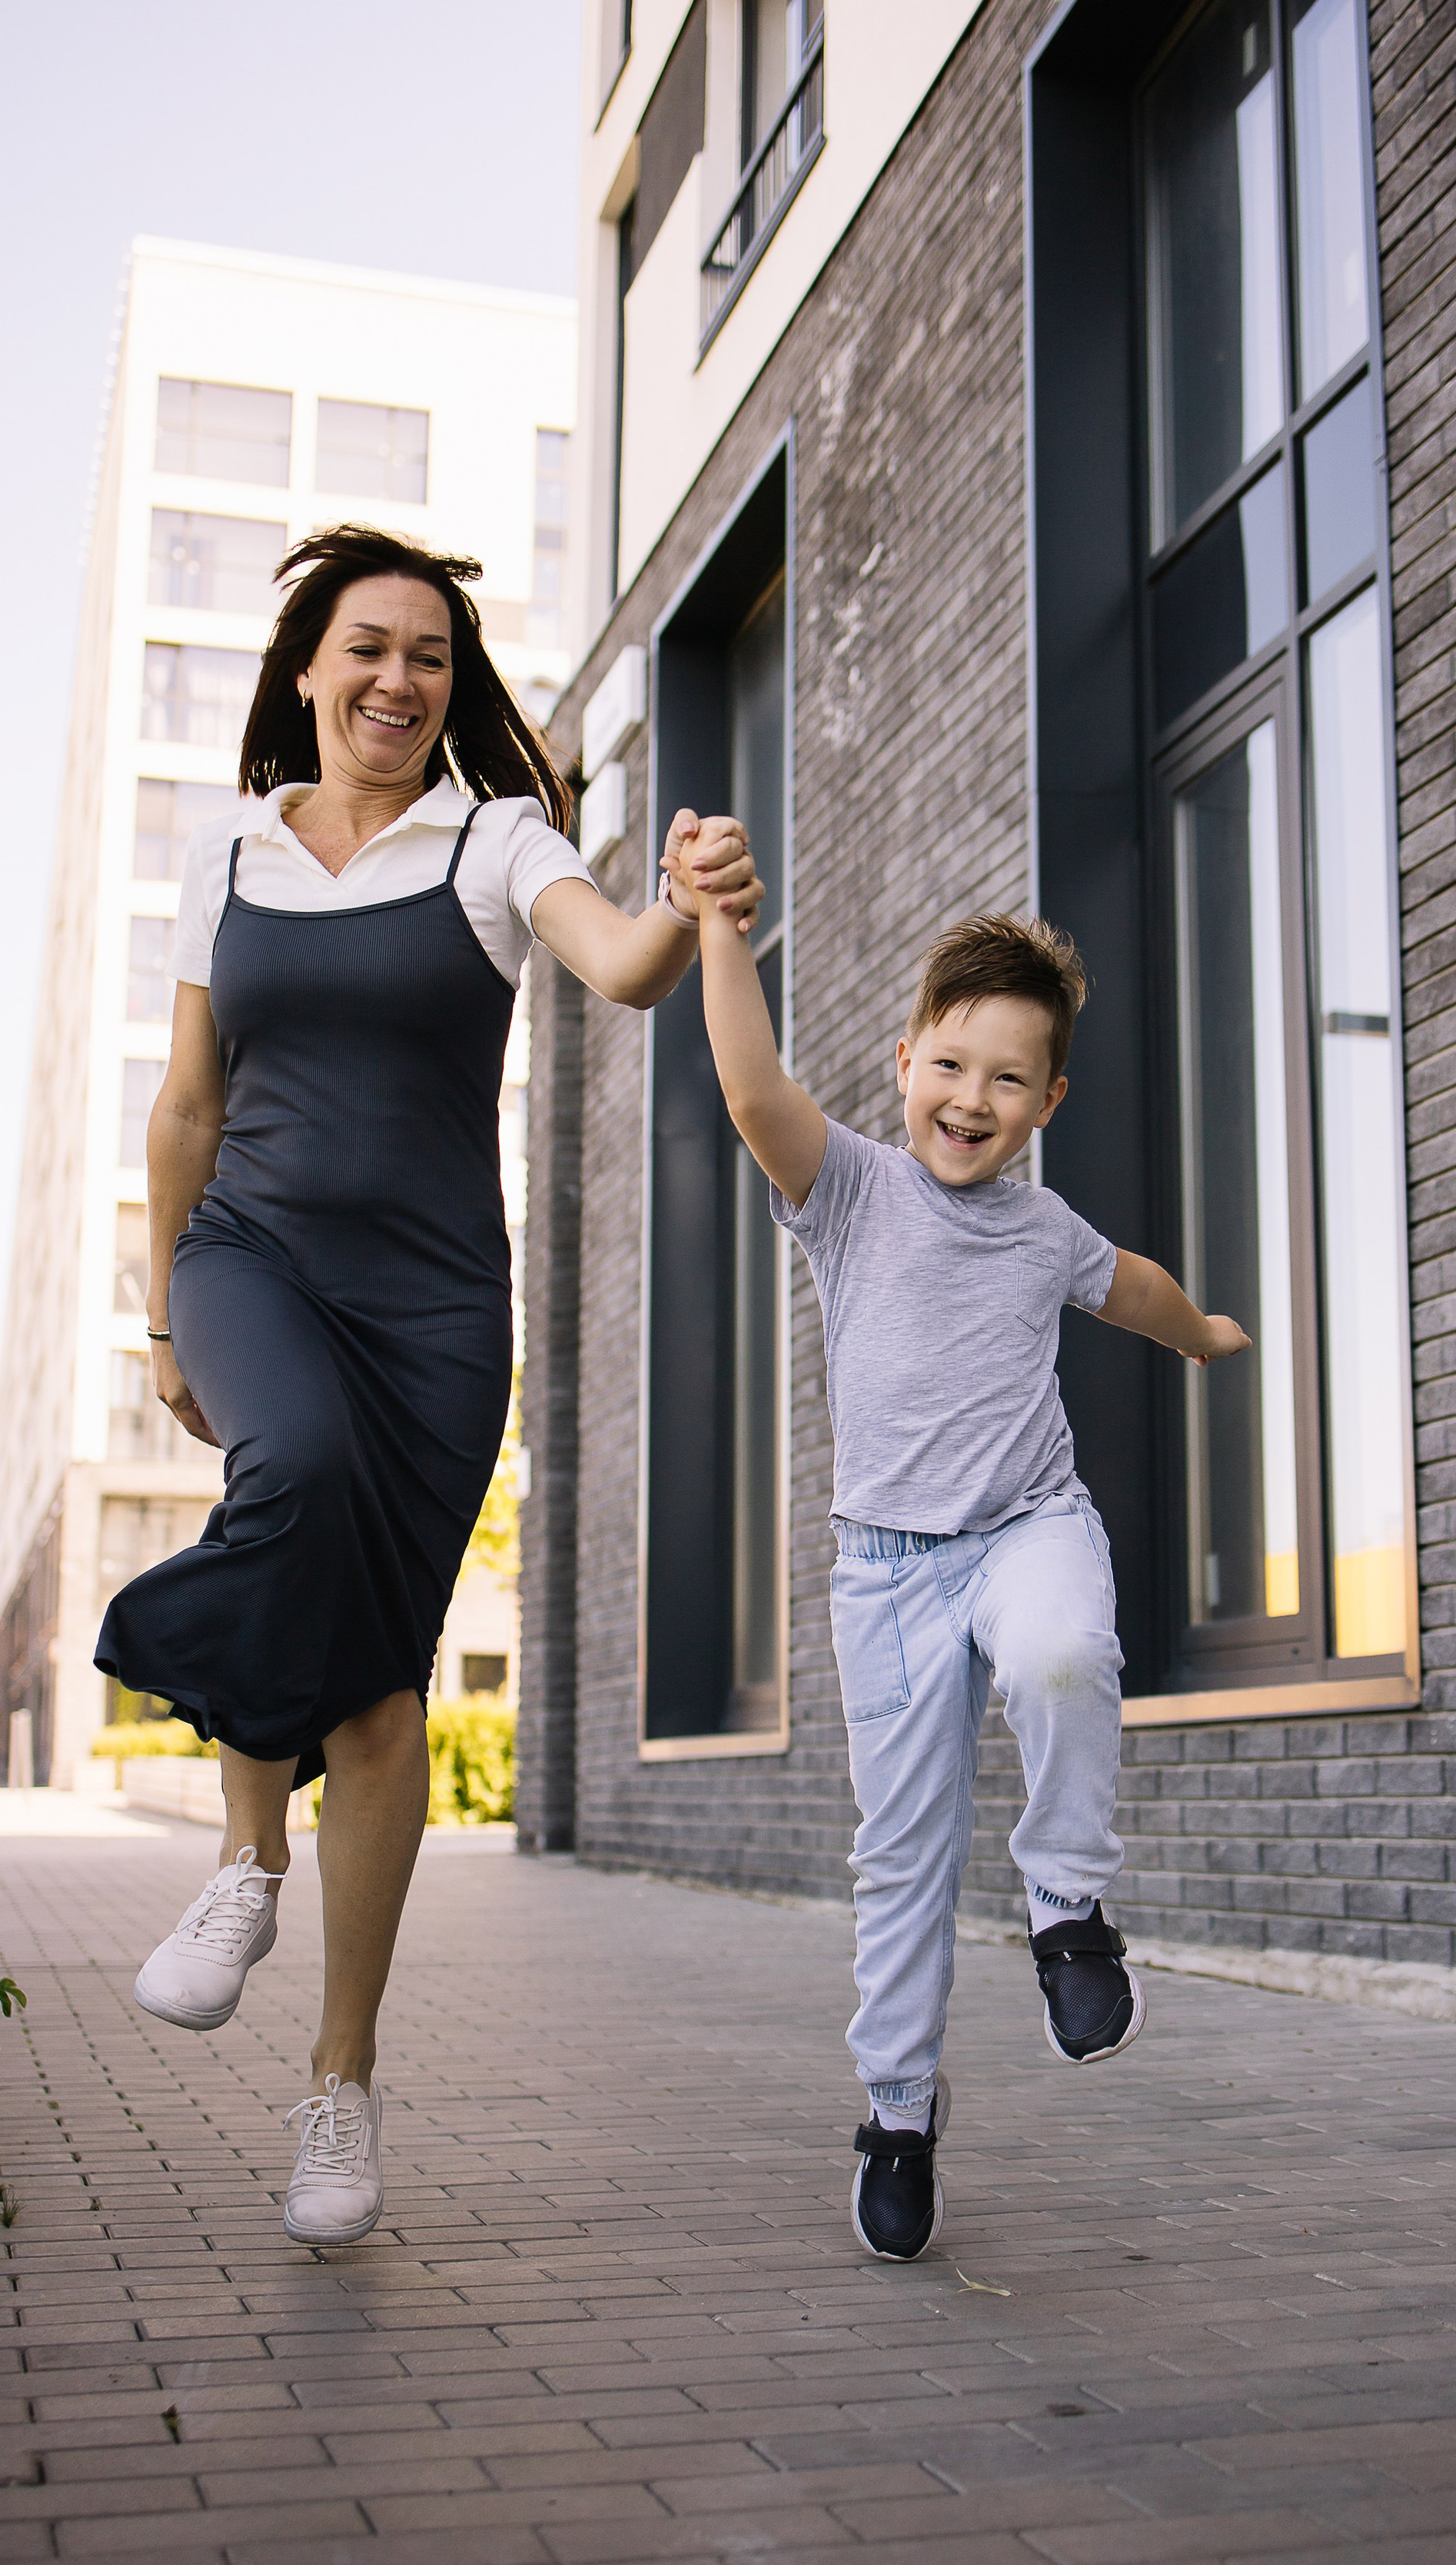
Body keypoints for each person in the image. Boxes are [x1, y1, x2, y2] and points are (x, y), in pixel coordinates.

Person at [100, 524, 760, 2246]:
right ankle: (248, 1864)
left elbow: (613, 964)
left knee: (381, 1700)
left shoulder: (493, 839)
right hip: (247, 1257)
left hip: (436, 1310)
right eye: (367, 649)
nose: (399, 681)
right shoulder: (225, 847)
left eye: (431, 660)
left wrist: (686, 903)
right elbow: (185, 1105)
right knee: (289, 1475)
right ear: (307, 666)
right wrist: (165, 1317)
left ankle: (341, 2082)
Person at [679, 853, 1249, 2263]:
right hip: (883, 1575)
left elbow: (1137, 1287)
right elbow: (753, 1091)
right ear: (905, 1058)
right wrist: (717, 930)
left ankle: (1066, 1903)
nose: (970, 1100)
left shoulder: (1044, 1227)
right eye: (950, 1064)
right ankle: (896, 2111)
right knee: (904, 1858)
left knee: (1065, 1648)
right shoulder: (851, 1189)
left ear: (1048, 1104)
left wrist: (1203, 1337)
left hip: (1025, 1530)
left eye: (1008, 1081)